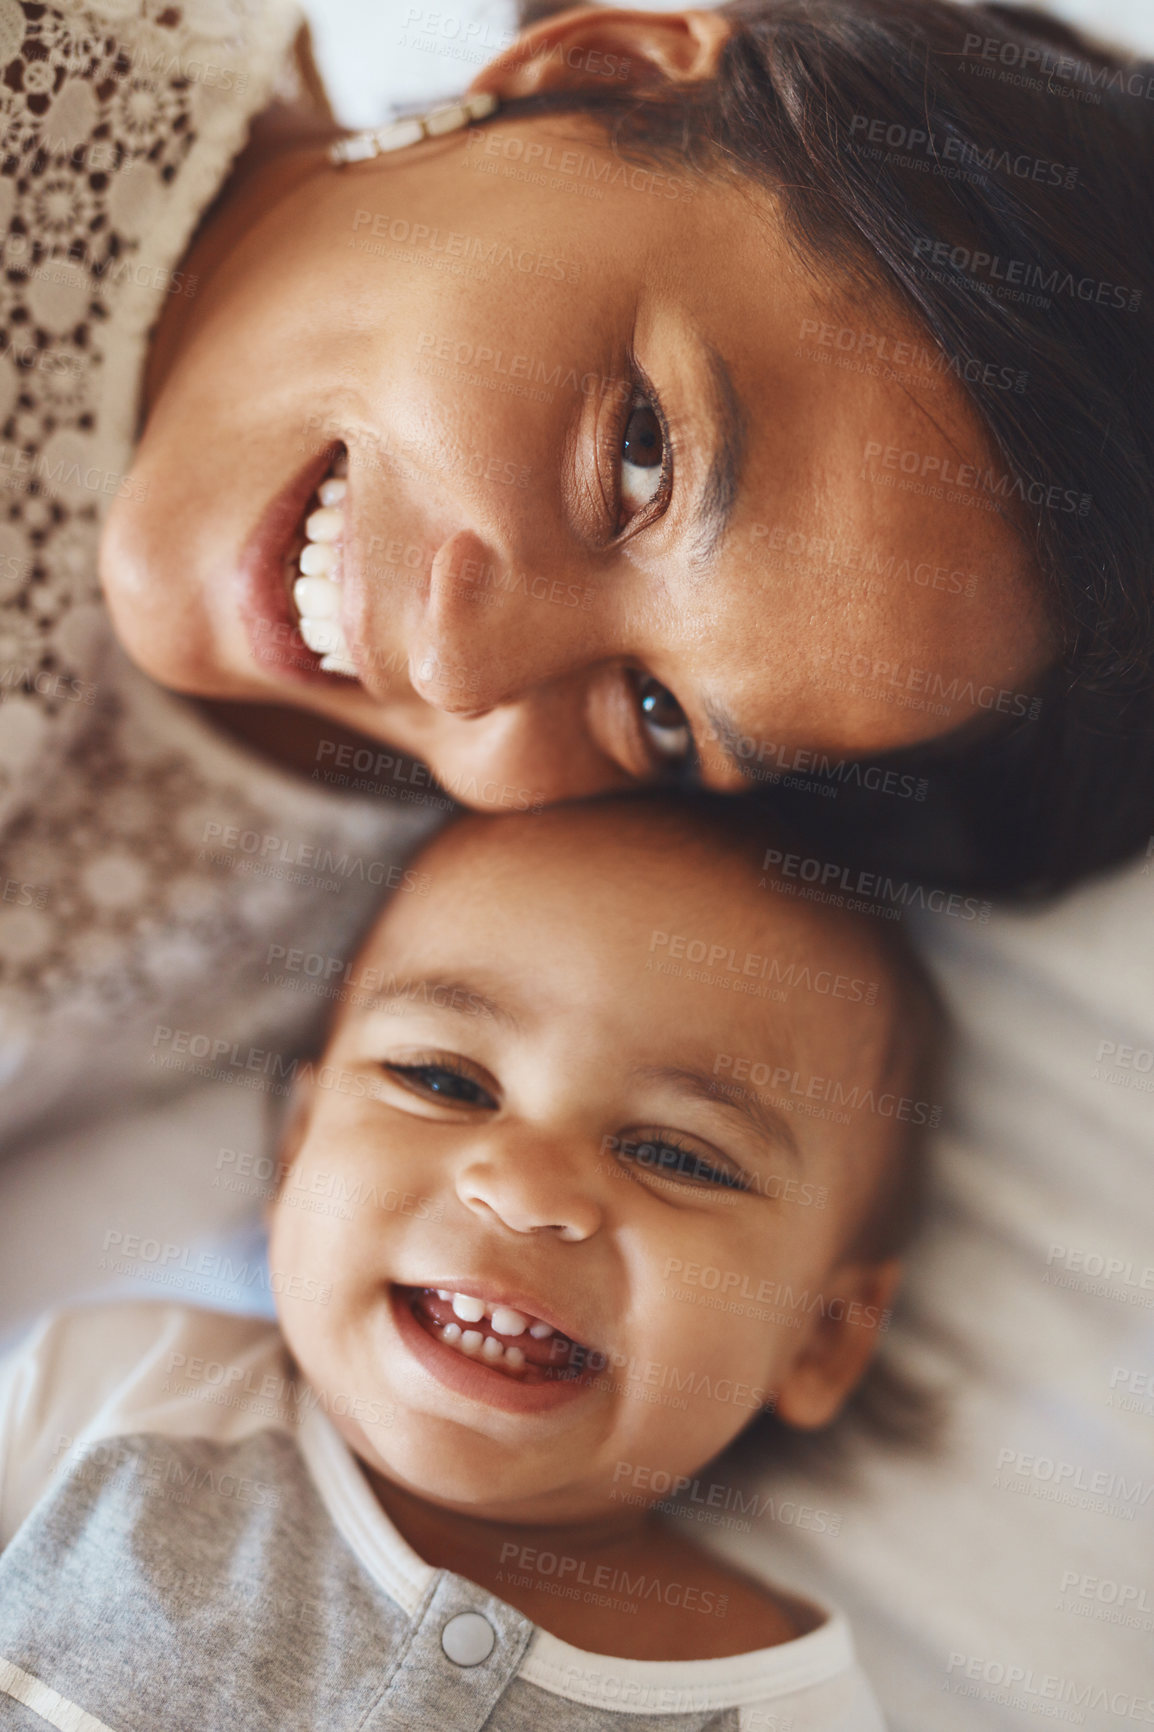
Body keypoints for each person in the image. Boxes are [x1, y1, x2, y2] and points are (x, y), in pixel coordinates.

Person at [0, 3, 1147, 1122]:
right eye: (640, 456)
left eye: (656, 713)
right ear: (593, 71)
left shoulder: (378, 938)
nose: (460, 675)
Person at [0, 793, 940, 1729]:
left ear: (822, 1338)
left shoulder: (782, 1708)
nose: (527, 1190)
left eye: (677, 1157)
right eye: (442, 1081)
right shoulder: (117, 1395)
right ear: (296, 1149)